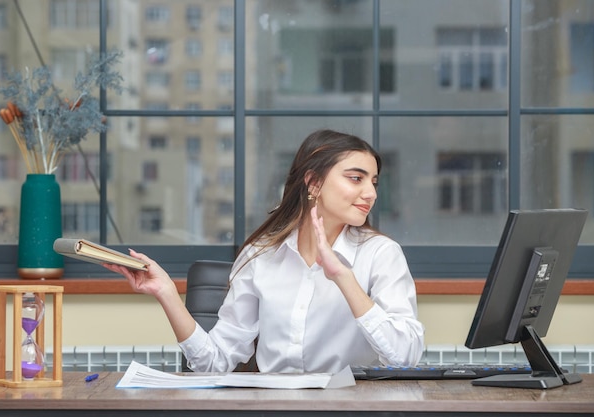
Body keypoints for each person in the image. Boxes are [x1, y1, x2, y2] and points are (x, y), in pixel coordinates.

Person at [104, 129, 425, 373]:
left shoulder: (381, 254)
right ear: (313, 183)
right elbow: (213, 363)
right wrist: (168, 294)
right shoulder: (260, 256)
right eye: (356, 178)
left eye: (374, 182)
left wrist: (343, 276)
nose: (370, 193)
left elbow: (405, 356)